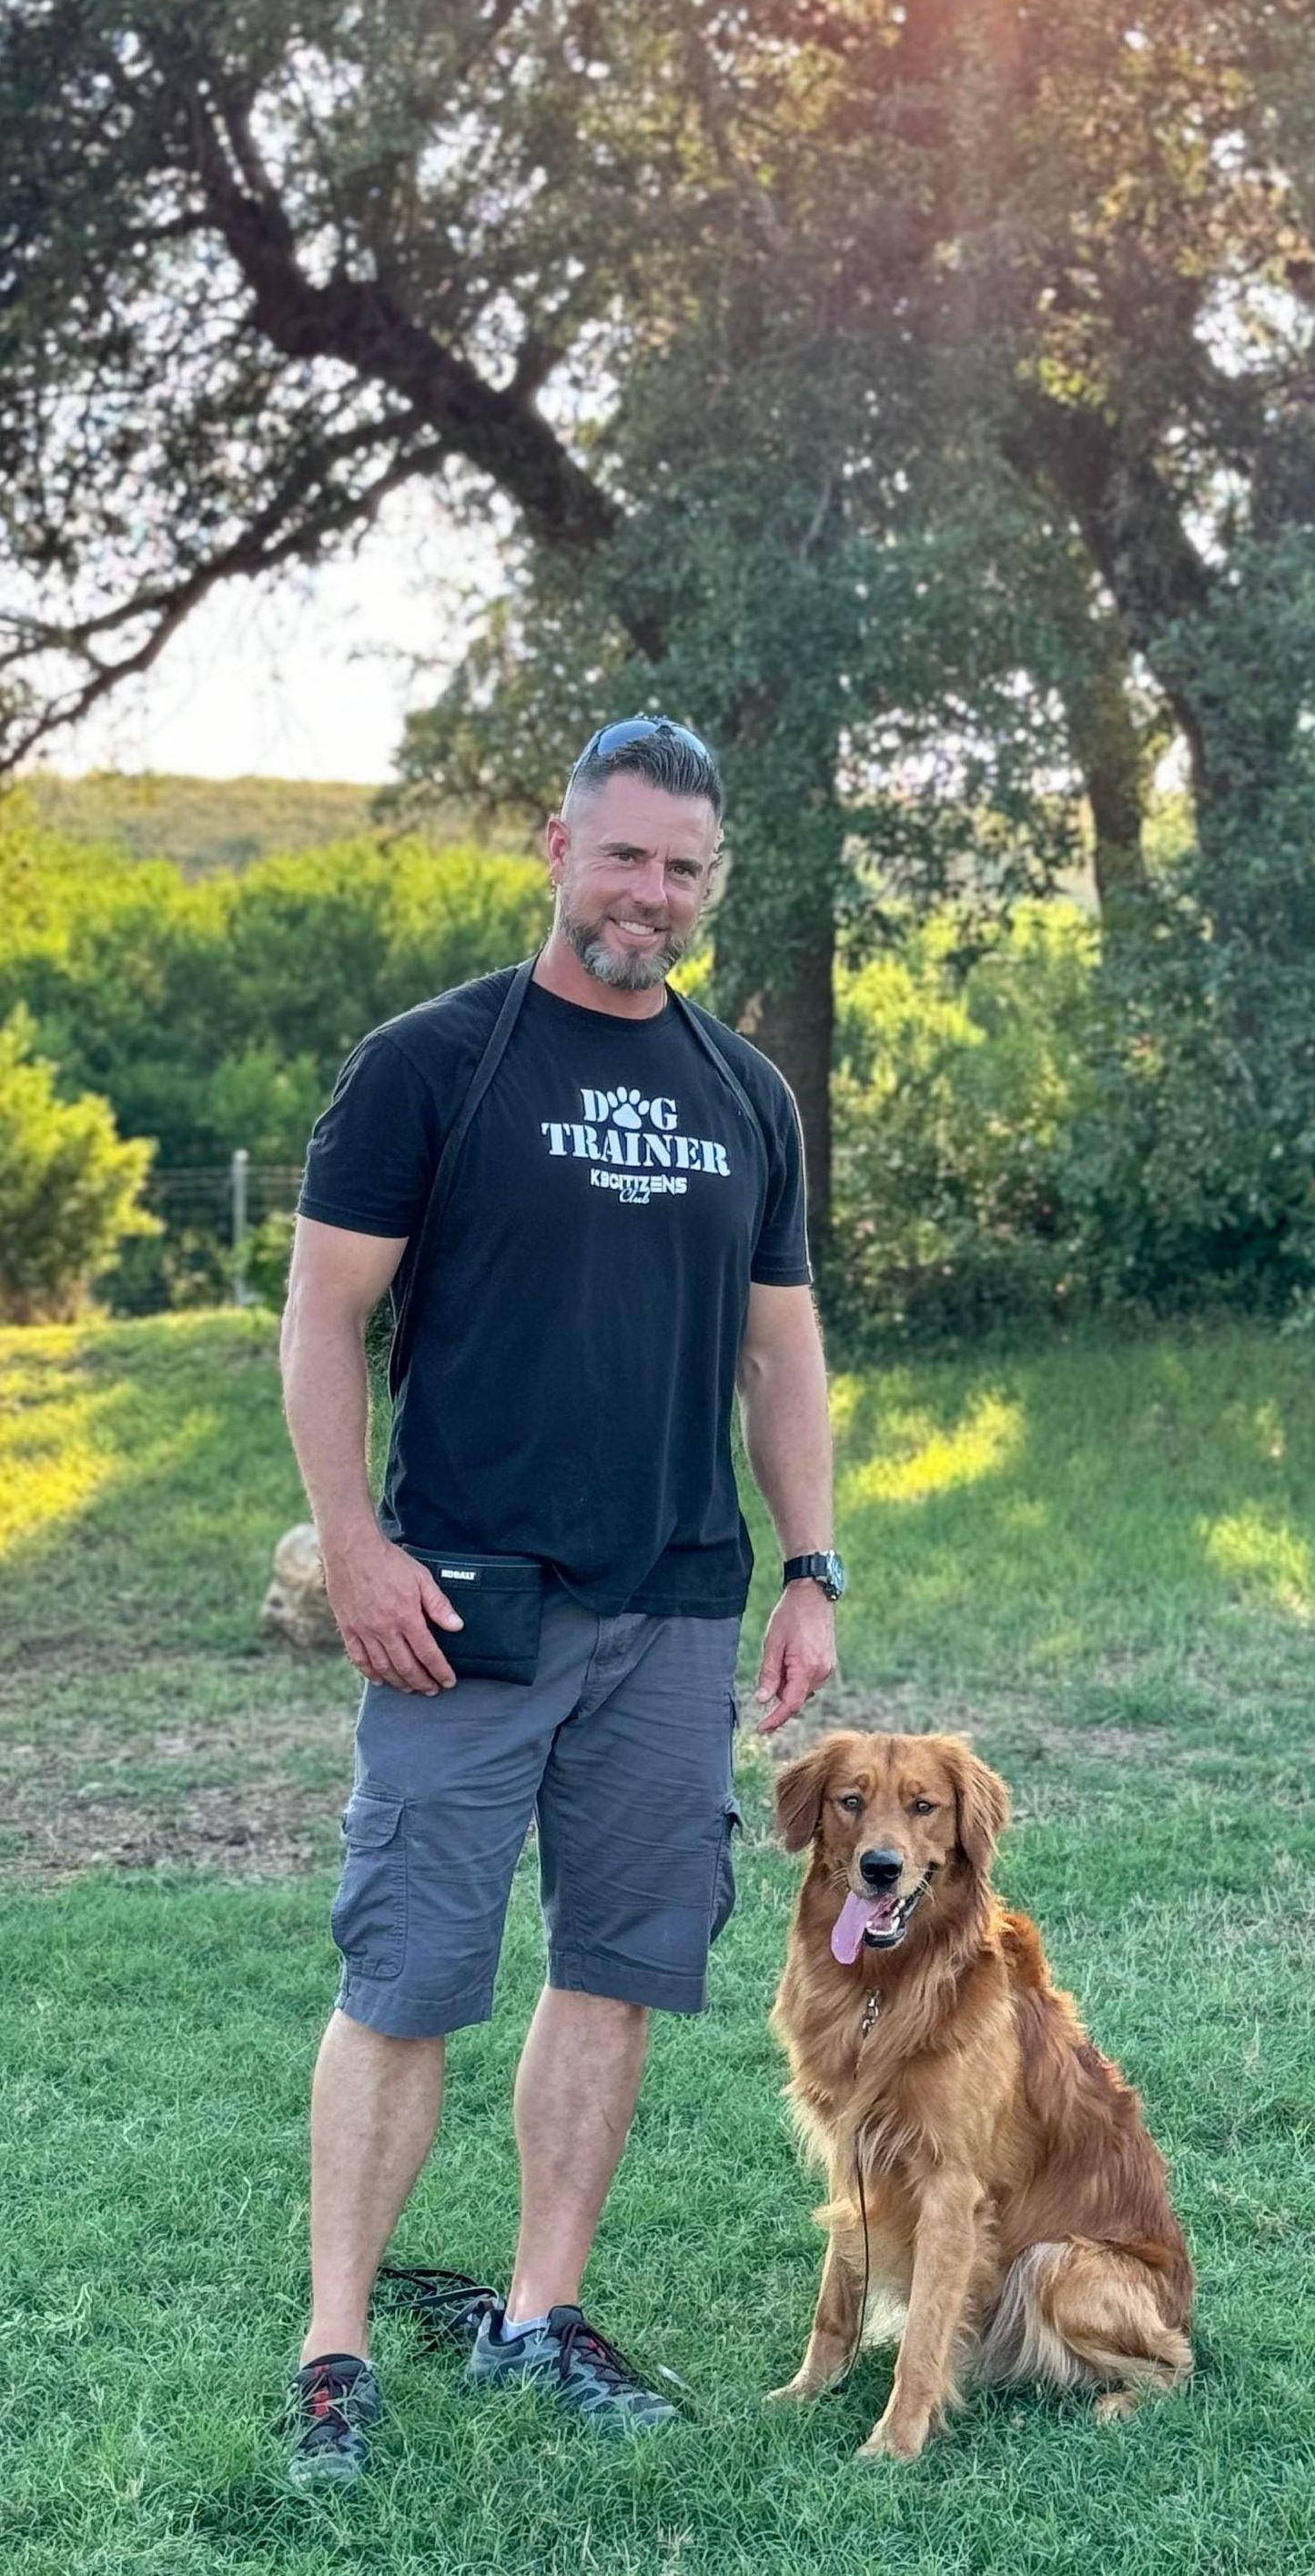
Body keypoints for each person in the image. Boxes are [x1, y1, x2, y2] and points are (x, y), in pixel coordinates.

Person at [277, 715, 843, 2489]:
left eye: (684, 870)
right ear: (555, 847)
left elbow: (782, 1353)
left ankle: (540, 2309)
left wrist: (811, 1564)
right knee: (408, 1975)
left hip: (675, 1606)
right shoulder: (432, 1064)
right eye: (624, 856)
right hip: (462, 1605)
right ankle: (338, 2347)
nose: (651, 896)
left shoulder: (744, 1093)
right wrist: (353, 1544)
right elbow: (322, 1319)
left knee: (617, 1969)